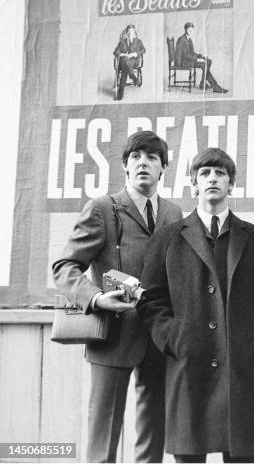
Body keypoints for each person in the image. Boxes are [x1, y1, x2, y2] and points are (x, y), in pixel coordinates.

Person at [52, 131, 183, 462]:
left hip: (158, 338)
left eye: (152, 157)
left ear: (163, 167)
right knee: (103, 440)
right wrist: (96, 299)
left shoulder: (173, 213)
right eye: (136, 156)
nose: (143, 163)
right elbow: (64, 266)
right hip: (112, 334)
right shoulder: (102, 209)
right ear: (125, 166)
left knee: (154, 436)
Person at [138, 148, 254, 462]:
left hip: (240, 371)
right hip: (187, 369)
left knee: (241, 457)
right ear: (194, 185)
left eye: (220, 173)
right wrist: (174, 338)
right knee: (189, 456)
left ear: (231, 185)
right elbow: (150, 300)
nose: (212, 179)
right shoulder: (167, 239)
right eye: (205, 174)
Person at [175, 21, 229, 93]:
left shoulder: (189, 39)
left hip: (189, 59)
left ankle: (203, 83)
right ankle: (212, 86)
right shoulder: (182, 39)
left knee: (208, 61)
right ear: (185, 30)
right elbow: (185, 55)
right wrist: (197, 59)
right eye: (189, 29)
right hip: (183, 62)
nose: (191, 31)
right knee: (204, 64)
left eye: (192, 29)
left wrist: (200, 56)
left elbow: (191, 53)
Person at [113, 24, 146, 100]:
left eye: (132, 32)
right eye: (128, 32)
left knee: (125, 65)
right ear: (126, 33)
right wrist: (121, 54)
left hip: (134, 61)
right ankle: (133, 76)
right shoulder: (122, 42)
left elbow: (144, 50)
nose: (130, 34)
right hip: (123, 62)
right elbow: (115, 52)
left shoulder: (138, 41)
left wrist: (135, 54)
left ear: (134, 33)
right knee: (125, 59)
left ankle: (120, 91)